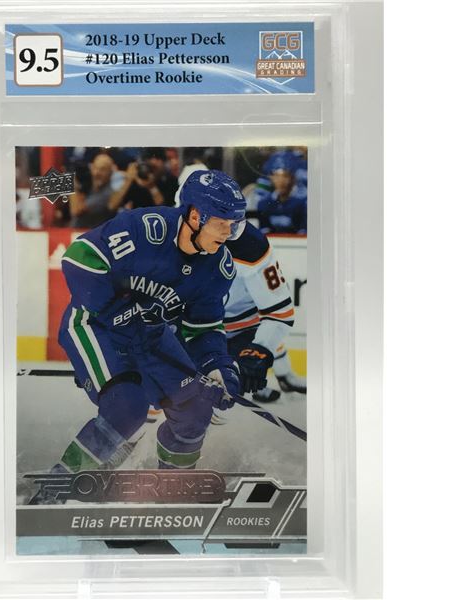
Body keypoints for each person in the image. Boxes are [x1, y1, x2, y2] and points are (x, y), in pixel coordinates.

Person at [30, 170, 246, 501]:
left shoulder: (218, 269)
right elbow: (79, 258)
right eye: (222, 223)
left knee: (195, 410)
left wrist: (218, 365)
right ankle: (57, 487)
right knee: (127, 408)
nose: (229, 233)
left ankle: (172, 490)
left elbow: (203, 327)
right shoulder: (146, 230)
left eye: (234, 225)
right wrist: (115, 310)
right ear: (195, 216)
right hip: (96, 324)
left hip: (151, 337)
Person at [221, 220, 306, 411]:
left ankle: (282, 375)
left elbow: (278, 314)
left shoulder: (249, 245)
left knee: (267, 331)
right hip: (215, 321)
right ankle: (258, 382)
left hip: (242, 313)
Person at [109, 148, 179, 211]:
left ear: (164, 162)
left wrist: (151, 187)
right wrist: (128, 180)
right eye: (149, 158)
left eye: (158, 158)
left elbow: (166, 210)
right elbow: (112, 206)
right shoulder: (138, 180)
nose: (153, 162)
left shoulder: (171, 181)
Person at [69, 153, 117, 228]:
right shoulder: (88, 186)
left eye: (102, 169)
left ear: (110, 172)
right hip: (77, 230)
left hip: (91, 233)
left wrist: (72, 185)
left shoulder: (108, 193)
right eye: (95, 168)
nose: (97, 173)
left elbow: (76, 210)